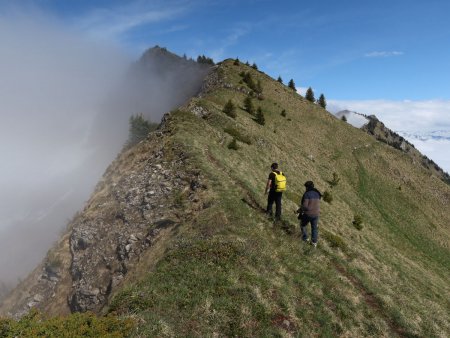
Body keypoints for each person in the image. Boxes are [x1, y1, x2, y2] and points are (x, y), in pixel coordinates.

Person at [297, 181, 322, 247]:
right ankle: (314, 243)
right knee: (314, 228)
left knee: (302, 225)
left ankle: (305, 238)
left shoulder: (307, 194)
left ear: (307, 187)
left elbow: (305, 206)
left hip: (308, 214)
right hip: (316, 213)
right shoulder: (317, 193)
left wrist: (298, 211)